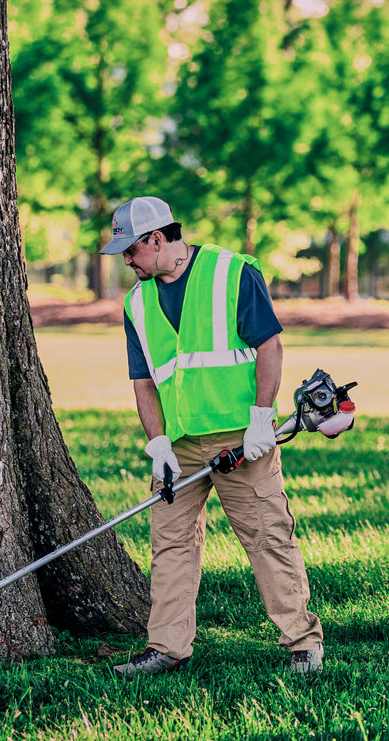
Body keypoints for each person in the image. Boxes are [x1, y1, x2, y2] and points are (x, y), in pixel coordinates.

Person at [102, 196, 336, 677]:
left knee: (268, 537)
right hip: (180, 444)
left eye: (131, 250)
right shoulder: (137, 302)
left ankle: (302, 642)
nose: (127, 260)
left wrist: (260, 418)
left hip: (239, 436)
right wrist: (157, 445)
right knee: (170, 543)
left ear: (157, 239)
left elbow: (269, 344)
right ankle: (167, 647)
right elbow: (144, 380)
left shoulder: (232, 272)